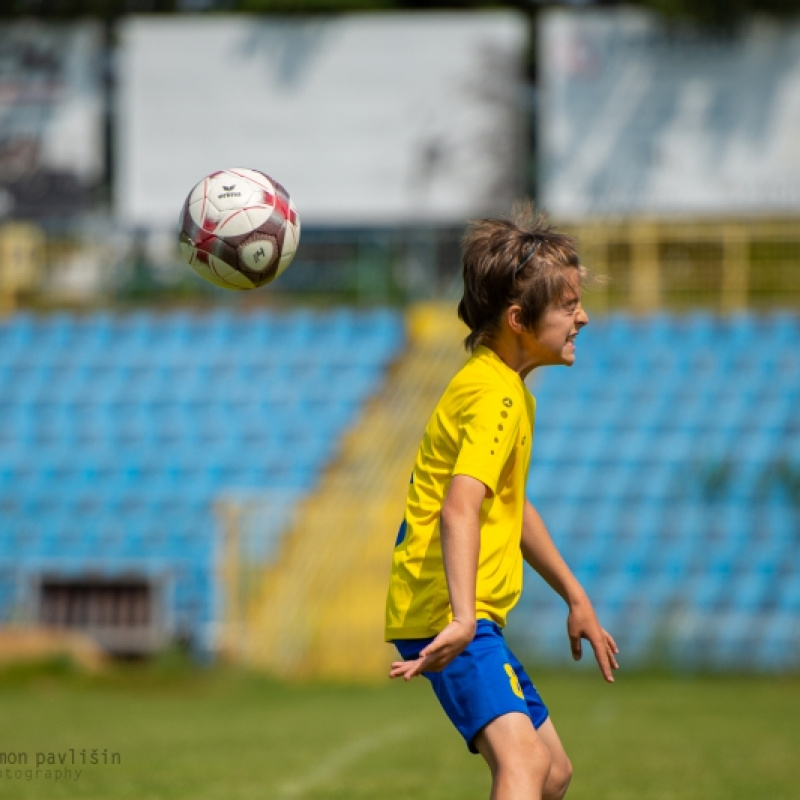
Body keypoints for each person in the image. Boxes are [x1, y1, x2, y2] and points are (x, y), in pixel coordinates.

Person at [385, 203, 619, 800]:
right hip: (450, 611)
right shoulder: (496, 397)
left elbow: (509, 507)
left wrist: (575, 594)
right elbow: (460, 507)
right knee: (522, 767)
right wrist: (464, 619)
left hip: (463, 612)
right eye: (568, 306)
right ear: (519, 318)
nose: (582, 318)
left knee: (553, 771)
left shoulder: (504, 386)